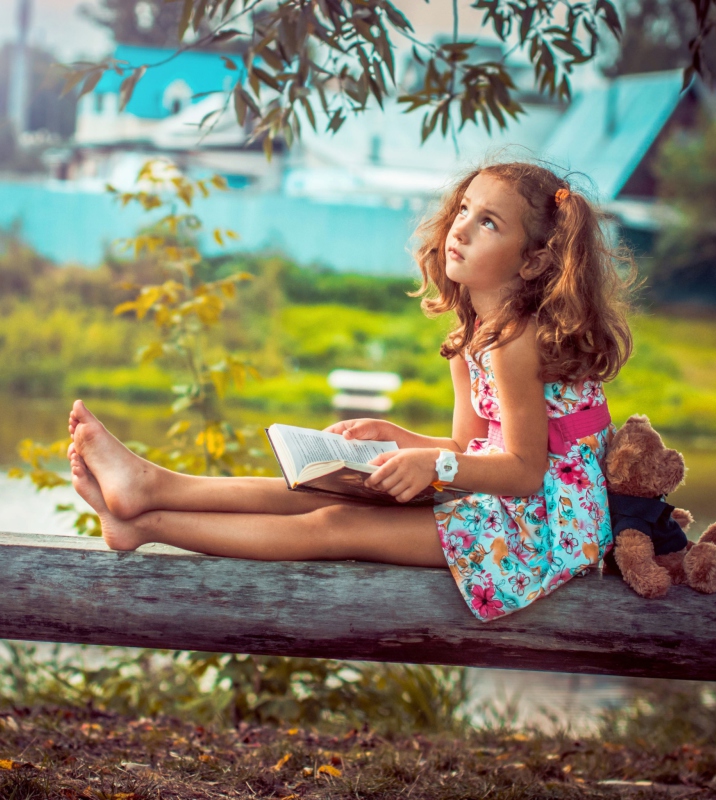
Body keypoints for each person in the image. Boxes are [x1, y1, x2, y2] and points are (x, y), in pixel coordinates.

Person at [67, 160, 635, 622]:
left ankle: (144, 524)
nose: (459, 228)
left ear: (533, 260)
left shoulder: (516, 344)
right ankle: (151, 486)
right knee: (320, 490)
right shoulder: (470, 340)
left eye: (489, 223)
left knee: (339, 525)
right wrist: (399, 438)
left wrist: (430, 464)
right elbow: (469, 445)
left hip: (545, 528)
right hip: (507, 500)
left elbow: (523, 470)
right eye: (464, 209)